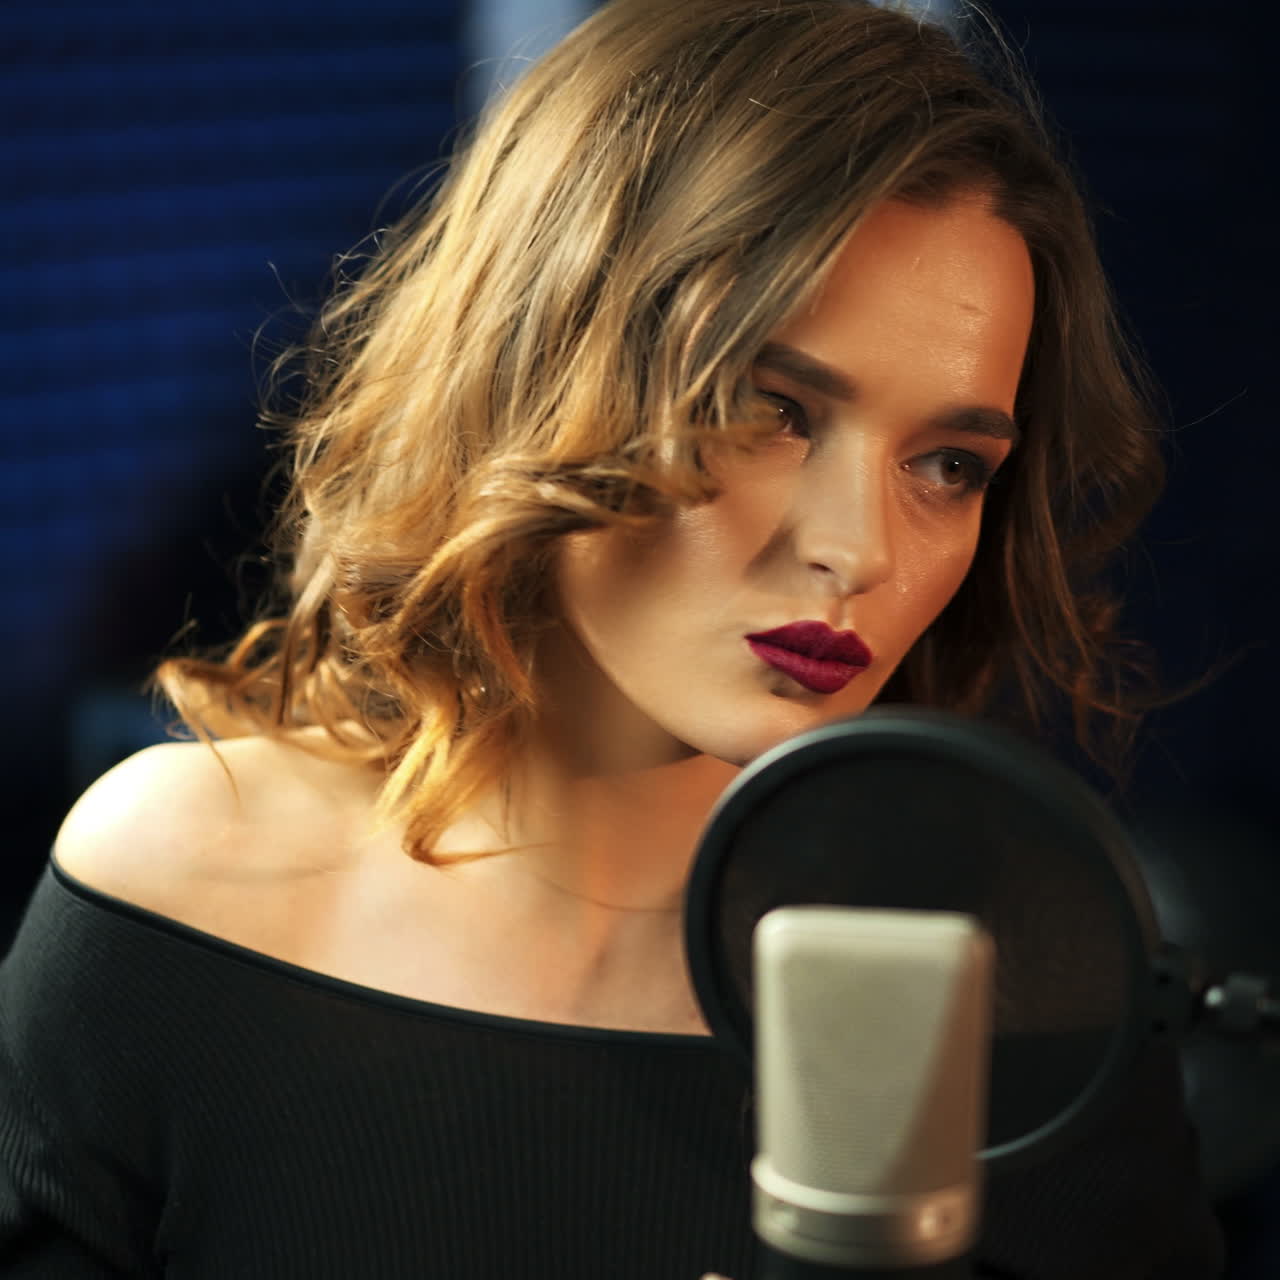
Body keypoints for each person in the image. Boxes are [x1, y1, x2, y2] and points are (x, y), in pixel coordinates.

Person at [0, 0, 1225, 1276]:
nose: (857, 548)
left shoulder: (1016, 976)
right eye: (770, 408)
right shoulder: (184, 880)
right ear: (545, 363)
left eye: (949, 464)